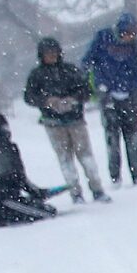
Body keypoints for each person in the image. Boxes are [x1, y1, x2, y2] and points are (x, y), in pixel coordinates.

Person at [20, 35, 107, 205]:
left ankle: (97, 189)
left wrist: (72, 99)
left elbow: (87, 91)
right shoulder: (36, 75)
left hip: (76, 121)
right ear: (41, 55)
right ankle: (75, 193)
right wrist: (47, 101)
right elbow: (29, 96)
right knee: (65, 159)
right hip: (53, 124)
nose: (51, 56)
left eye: (54, 52)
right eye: (48, 53)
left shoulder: (71, 70)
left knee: (86, 157)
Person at [82, 12, 137, 185]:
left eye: (134, 33)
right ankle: (115, 176)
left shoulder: (136, 44)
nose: (130, 37)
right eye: (128, 33)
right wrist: (96, 86)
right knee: (112, 139)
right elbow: (86, 62)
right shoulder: (102, 38)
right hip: (108, 96)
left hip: (129, 94)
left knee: (133, 138)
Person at [0, 111, 60, 226]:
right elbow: (18, 177)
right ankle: (1, 216)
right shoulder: (6, 149)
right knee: (48, 212)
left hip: (0, 199)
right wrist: (36, 192)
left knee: (37, 206)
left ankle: (2, 212)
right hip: (5, 200)